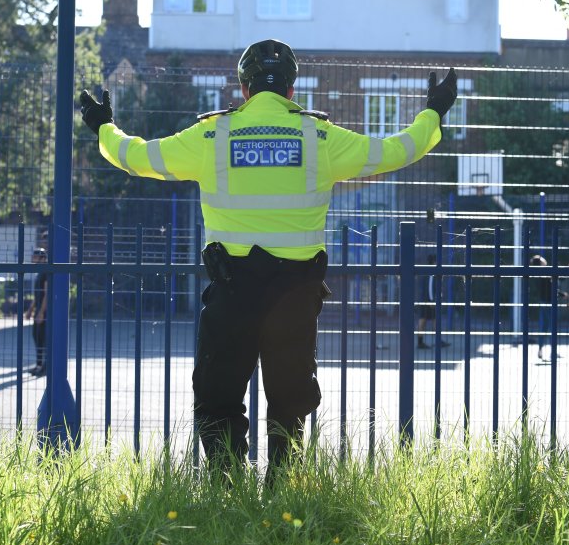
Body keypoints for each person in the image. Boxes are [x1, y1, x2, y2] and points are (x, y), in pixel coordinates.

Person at [80, 39, 457, 478]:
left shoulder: (212, 135)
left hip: (232, 288)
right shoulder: (319, 137)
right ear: (292, 90)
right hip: (296, 293)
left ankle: (228, 485)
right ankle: (284, 485)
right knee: (290, 397)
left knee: (217, 394)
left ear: (244, 88)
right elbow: (396, 151)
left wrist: (103, 126)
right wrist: (434, 112)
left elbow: (137, 157)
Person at [529, 255, 569, 361]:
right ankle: (553, 352)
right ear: (540, 263)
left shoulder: (537, 274)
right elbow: (552, 288)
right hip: (550, 302)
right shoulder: (545, 273)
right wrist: (562, 294)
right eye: (542, 259)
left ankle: (540, 349)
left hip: (543, 302)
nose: (544, 260)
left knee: (544, 327)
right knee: (552, 327)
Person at [25, 247, 48, 377]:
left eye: (35, 257)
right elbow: (37, 295)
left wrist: (41, 312)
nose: (33, 259)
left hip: (44, 312)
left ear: (42, 258)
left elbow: (46, 293)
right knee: (37, 337)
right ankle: (39, 365)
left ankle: (45, 366)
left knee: (43, 339)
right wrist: (31, 309)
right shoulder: (39, 272)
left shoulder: (45, 272)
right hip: (39, 310)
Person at [418, 254, 449, 350]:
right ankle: (422, 342)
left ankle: (425, 341)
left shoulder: (428, 271)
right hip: (428, 301)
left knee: (429, 320)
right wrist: (432, 301)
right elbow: (430, 287)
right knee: (426, 320)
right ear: (435, 261)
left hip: (425, 300)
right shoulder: (432, 272)